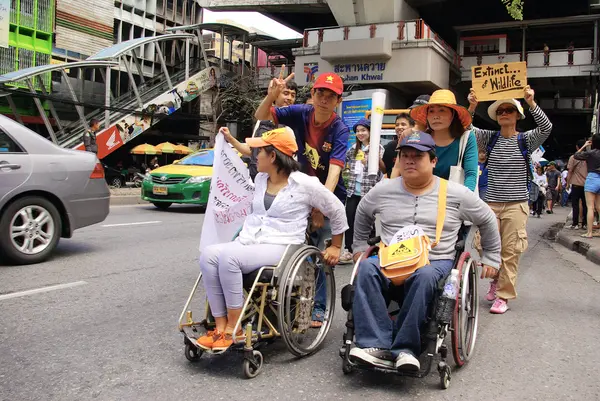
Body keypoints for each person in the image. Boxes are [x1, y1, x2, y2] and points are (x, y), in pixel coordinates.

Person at [348, 131, 500, 370]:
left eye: (417, 157)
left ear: (433, 161)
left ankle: (405, 349)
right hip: (391, 258)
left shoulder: (456, 193)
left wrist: (491, 257)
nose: (409, 161)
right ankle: (375, 344)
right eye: (404, 156)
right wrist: (358, 247)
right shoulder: (383, 190)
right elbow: (362, 213)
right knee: (366, 267)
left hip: (434, 260)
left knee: (425, 276)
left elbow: (488, 219)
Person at [196, 127, 348, 351]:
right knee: (208, 255)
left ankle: (233, 328)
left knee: (229, 258)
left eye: (260, 152)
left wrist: (336, 246)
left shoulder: (304, 184)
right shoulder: (260, 179)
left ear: (273, 156)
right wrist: (229, 140)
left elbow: (336, 210)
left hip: (283, 245)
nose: (255, 156)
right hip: (252, 241)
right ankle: (219, 327)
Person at [255, 71, 349, 327]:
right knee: (291, 248)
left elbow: (334, 171)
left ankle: (318, 307)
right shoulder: (299, 113)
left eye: (331, 96)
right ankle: (286, 300)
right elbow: (262, 116)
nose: (324, 99)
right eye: (320, 93)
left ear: (337, 101)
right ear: (313, 94)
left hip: (327, 196)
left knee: (321, 255)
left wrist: (320, 207)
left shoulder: (340, 129)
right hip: (296, 192)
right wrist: (271, 96)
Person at [467, 85, 552, 313]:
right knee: (485, 245)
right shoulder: (489, 138)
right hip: (491, 204)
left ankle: (503, 296)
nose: (504, 113)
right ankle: (496, 279)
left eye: (509, 110)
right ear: (497, 116)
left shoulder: (526, 140)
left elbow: (546, 127)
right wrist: (472, 107)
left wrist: (531, 102)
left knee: (510, 251)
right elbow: (466, 127)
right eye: (501, 110)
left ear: (517, 115)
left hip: (516, 204)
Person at [392, 90, 478, 192]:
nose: (436, 116)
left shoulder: (466, 138)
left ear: (453, 114)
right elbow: (399, 168)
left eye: (442, 110)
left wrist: (464, 201)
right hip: (420, 198)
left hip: (454, 201)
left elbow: (471, 175)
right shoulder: (418, 137)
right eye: (431, 111)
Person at [339, 118, 385, 263]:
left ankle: (370, 250)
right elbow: (345, 165)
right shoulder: (353, 149)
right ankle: (349, 250)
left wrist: (369, 162)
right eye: (358, 131)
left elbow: (382, 171)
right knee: (350, 219)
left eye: (363, 130)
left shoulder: (378, 149)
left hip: (369, 190)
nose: (360, 133)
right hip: (353, 190)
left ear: (370, 132)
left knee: (368, 221)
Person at [574, 135, 600, 238]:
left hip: (592, 178)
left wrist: (584, 145)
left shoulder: (590, 153)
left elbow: (576, 155)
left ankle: (589, 233)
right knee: (599, 207)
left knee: (590, 207)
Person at [382, 113, 416, 178]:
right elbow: (386, 170)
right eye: (397, 125)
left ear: (412, 127)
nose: (399, 127)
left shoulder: (420, 146)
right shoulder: (390, 146)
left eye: (403, 124)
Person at [567, 139, 588, 230]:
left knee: (575, 204)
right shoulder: (589, 157)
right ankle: (585, 224)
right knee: (586, 205)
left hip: (575, 184)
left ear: (576, 147)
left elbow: (570, 171)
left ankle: (575, 224)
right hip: (587, 184)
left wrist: (568, 183)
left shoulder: (573, 157)